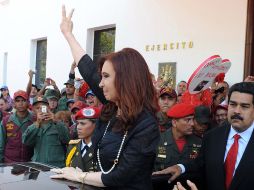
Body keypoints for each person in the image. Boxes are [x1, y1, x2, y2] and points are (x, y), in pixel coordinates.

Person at [51, 6, 159, 189]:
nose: (100, 84)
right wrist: (68, 34)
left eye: (106, 77)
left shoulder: (146, 125)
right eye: (101, 77)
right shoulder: (113, 106)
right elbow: (87, 68)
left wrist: (79, 176)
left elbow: (118, 177)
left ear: (126, 80)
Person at [153, 82, 254, 190]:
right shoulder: (212, 137)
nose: (236, 111)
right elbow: (199, 165)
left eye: (244, 106)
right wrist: (180, 167)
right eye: (233, 104)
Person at [153, 103, 202, 189]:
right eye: (188, 120)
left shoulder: (199, 142)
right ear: (174, 122)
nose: (192, 124)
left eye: (192, 119)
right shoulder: (157, 141)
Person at [22, 96, 70, 167]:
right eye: (37, 108)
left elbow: (67, 139)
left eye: (43, 107)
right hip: (38, 166)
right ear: (33, 110)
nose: (41, 110)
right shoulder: (33, 126)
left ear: (49, 108)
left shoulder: (58, 124)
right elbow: (26, 142)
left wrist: (55, 121)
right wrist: (37, 124)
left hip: (56, 166)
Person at [0, 90, 34, 163]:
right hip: (9, 162)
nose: (20, 103)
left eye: (23, 100)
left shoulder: (35, 119)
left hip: (29, 163)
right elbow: (1, 144)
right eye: (18, 101)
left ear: (28, 102)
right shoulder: (6, 120)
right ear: (14, 103)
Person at [66, 106, 100, 172]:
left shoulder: (102, 148)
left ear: (96, 125)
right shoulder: (73, 146)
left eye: (82, 123)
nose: (78, 127)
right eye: (78, 123)